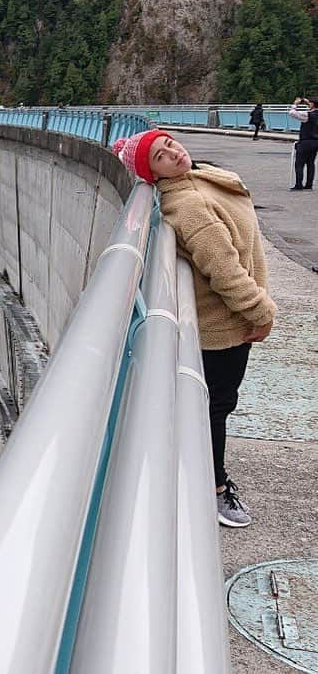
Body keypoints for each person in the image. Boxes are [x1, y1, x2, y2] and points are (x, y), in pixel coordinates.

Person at [112, 129, 277, 528]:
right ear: (152, 175)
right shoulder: (186, 205)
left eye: (168, 143)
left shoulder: (199, 176)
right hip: (224, 326)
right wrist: (260, 311)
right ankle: (215, 490)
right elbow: (223, 270)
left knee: (213, 405)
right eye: (160, 156)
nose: (172, 151)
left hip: (228, 321)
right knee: (215, 408)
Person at [288, 96, 318, 190]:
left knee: (299, 164)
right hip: (315, 142)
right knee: (311, 163)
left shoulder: (308, 115)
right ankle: (309, 184)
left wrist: (295, 104)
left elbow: (293, 113)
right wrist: (308, 102)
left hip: (306, 141)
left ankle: (298, 184)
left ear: (313, 104)